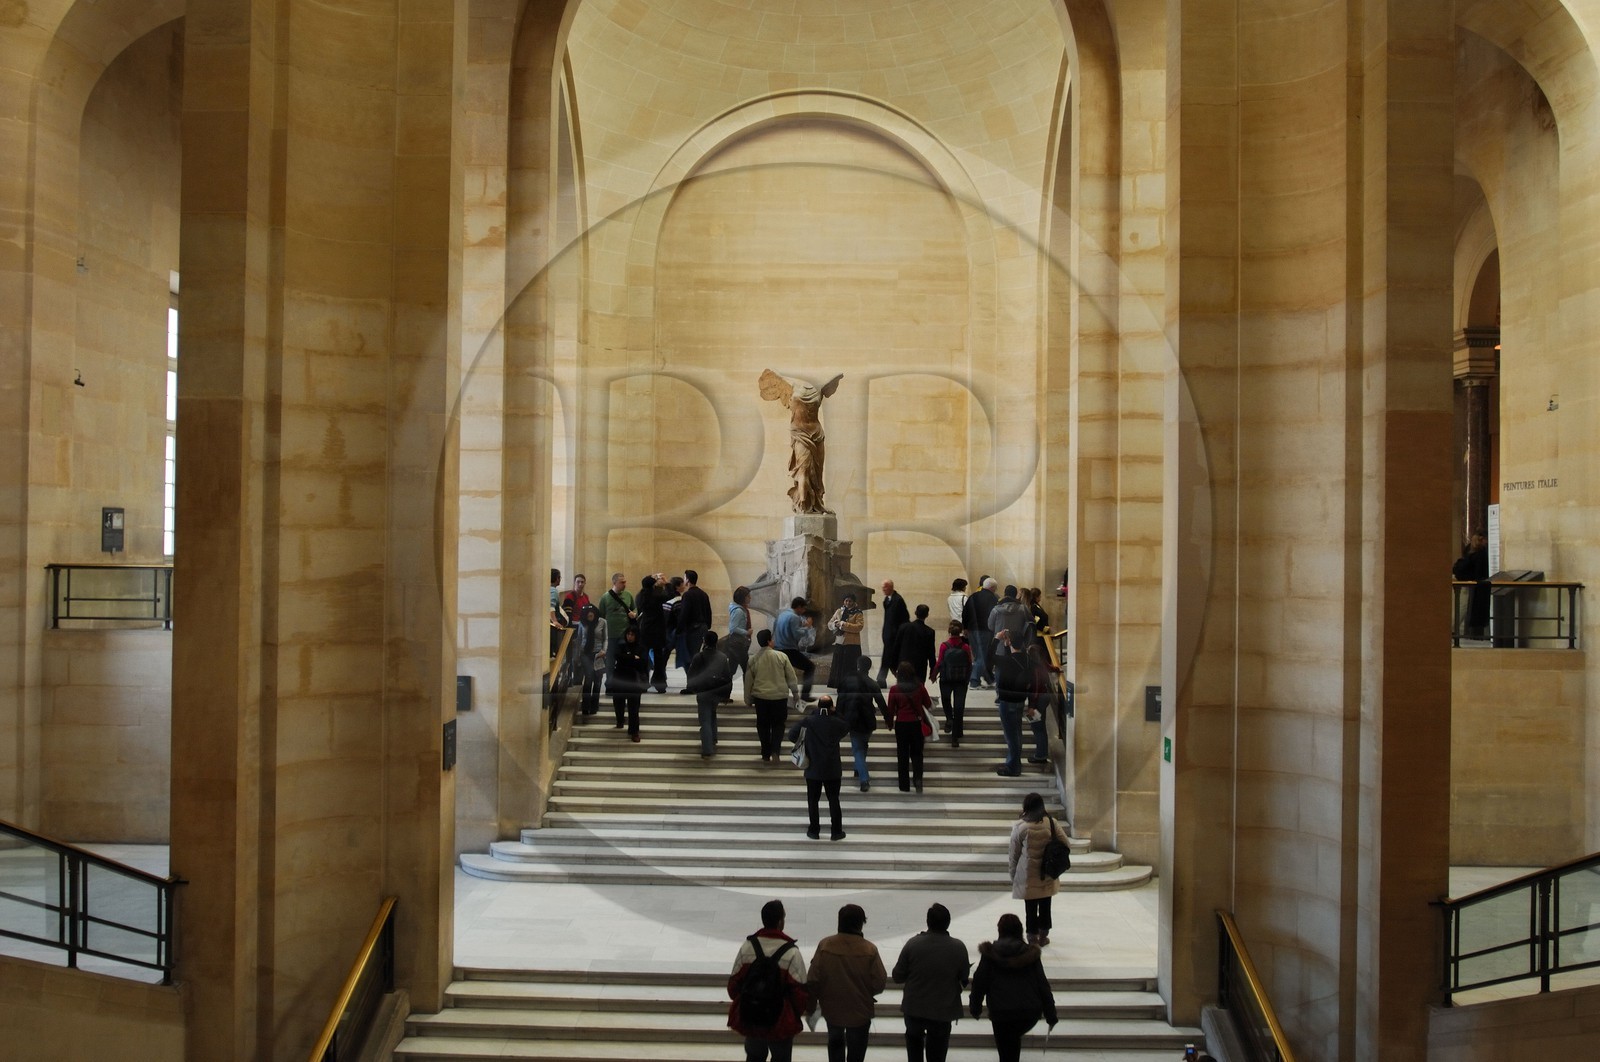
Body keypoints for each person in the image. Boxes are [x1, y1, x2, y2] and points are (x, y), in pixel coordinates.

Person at [729, 899, 810, 1062]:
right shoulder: (791, 952)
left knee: (754, 1056)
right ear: (780, 921)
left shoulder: (748, 947)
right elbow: (800, 993)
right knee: (781, 1058)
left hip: (752, 1017)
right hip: (780, 1020)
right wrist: (794, 1013)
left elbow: (733, 986)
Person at [969, 913, 1057, 1062]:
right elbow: (1042, 984)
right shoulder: (1031, 954)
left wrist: (975, 1008)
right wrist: (1051, 1014)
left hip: (1001, 1012)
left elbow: (979, 982)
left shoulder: (990, 954)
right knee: (1012, 1044)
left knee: (1006, 1052)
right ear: (1020, 931)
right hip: (1028, 1012)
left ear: (1000, 930)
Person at [807, 903, 887, 1062]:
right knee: (856, 1054)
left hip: (832, 1010)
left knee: (835, 1047)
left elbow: (813, 979)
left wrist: (812, 1003)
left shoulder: (825, 945)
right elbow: (879, 983)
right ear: (860, 924)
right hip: (860, 1011)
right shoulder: (869, 950)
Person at [759, 368, 844, 514]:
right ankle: (804, 507)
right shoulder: (801, 389)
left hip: (816, 434)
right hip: (803, 434)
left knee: (816, 472)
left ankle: (815, 504)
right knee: (804, 471)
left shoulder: (804, 390)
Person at [892, 903, 970, 1062]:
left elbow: (897, 975)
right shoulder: (958, 947)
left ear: (928, 922)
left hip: (915, 1007)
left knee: (914, 1049)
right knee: (938, 1053)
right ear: (948, 922)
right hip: (943, 1009)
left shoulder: (913, 944)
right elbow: (964, 978)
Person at [787, 696, 853, 840]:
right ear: (831, 707)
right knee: (834, 799)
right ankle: (836, 832)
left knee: (813, 800)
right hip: (832, 768)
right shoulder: (836, 723)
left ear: (818, 707)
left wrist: (806, 740)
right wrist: (833, 713)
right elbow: (846, 725)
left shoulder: (809, 721)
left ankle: (814, 830)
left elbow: (791, 735)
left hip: (813, 767)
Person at [1010, 792, 1070, 946]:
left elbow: (1014, 854)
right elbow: (1066, 844)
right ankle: (1043, 937)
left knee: (1030, 908)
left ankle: (1032, 938)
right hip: (1047, 872)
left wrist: (1013, 875)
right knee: (1045, 905)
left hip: (1028, 874)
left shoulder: (1020, 827)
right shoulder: (1051, 823)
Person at [746, 629, 800, 762]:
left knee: (762, 725)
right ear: (769, 641)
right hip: (779, 697)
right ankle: (776, 750)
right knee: (778, 725)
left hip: (761, 698)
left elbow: (748, 681)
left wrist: (748, 699)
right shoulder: (781, 656)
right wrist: (795, 693)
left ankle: (765, 753)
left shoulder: (753, 659)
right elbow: (791, 677)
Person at [884, 661, 932, 793]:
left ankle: (904, 785)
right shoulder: (920, 687)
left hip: (901, 725)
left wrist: (889, 723)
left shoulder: (895, 689)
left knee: (902, 754)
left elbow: (890, 709)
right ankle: (918, 780)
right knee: (917, 754)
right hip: (916, 724)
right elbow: (927, 704)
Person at [838, 656, 884, 792]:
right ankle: (858, 769)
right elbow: (881, 703)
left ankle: (864, 779)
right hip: (868, 719)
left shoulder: (847, 681)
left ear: (858, 666)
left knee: (858, 748)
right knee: (862, 745)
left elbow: (841, 701)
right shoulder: (872, 683)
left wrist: (838, 717)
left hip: (852, 719)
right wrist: (888, 719)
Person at [687, 630, 734, 758]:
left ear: (704, 641)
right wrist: (726, 695)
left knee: (705, 721)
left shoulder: (698, 657)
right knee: (712, 714)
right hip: (717, 692)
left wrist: (691, 688)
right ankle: (713, 738)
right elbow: (728, 677)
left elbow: (691, 675)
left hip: (703, 692)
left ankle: (707, 748)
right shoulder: (722, 657)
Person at [992, 630, 1030, 776]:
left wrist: (996, 639)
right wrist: (1008, 645)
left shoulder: (1007, 661)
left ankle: (1013, 767)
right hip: (1020, 700)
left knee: (1011, 736)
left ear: (1011, 643)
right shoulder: (1026, 659)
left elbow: (988, 656)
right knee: (1017, 733)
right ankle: (1015, 763)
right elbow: (1013, 659)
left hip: (1007, 701)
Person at [608, 624, 650, 740]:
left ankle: (634, 732)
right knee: (618, 703)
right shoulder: (621, 645)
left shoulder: (641, 648)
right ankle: (620, 721)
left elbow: (642, 663)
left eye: (632, 635)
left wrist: (626, 658)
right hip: (620, 679)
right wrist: (632, 658)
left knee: (634, 709)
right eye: (628, 634)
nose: (630, 637)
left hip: (634, 681)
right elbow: (617, 657)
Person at [934, 622, 972, 747]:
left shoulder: (944, 646)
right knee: (959, 707)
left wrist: (933, 675)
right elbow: (970, 664)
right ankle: (955, 737)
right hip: (961, 681)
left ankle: (949, 718)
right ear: (960, 632)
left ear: (949, 632)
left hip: (946, 678)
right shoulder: (965, 647)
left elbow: (939, 662)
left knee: (946, 700)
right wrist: (967, 678)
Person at [596, 572, 636, 687]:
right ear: (614, 583)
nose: (625, 584)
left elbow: (635, 608)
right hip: (611, 635)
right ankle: (610, 684)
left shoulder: (628, 595)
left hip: (625, 635)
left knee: (626, 660)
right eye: (622, 582)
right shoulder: (605, 597)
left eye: (625, 582)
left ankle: (625, 683)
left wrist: (634, 613)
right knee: (610, 662)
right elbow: (601, 617)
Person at [773, 596, 817, 700]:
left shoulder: (781, 615)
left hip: (777, 649)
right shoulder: (794, 617)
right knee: (810, 667)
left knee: (783, 674)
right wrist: (807, 627)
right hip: (788, 650)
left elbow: (775, 630)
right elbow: (796, 635)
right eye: (803, 608)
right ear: (799, 607)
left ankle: (781, 695)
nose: (804, 611)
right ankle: (805, 696)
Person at [634, 573, 671, 693]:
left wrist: (652, 578)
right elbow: (670, 595)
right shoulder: (657, 595)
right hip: (657, 629)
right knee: (658, 658)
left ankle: (642, 683)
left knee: (644, 657)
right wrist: (665, 583)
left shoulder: (639, 596)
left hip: (645, 629)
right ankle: (659, 683)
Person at [962, 577, 999, 688]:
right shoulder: (993, 598)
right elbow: (994, 616)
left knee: (978, 655)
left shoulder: (973, 596)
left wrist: (965, 627)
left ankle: (988, 678)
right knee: (982, 656)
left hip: (972, 630)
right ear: (992, 588)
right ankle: (974, 680)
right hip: (985, 630)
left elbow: (965, 612)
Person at [1453, 532, 1491, 638]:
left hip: (1465, 583)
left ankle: (1456, 631)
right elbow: (1478, 572)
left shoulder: (1469, 550)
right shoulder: (1480, 554)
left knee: (1463, 608)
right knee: (1464, 608)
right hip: (1473, 585)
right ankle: (1454, 630)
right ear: (1482, 539)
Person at [1024, 643, 1056, 764]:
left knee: (1037, 727)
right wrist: (1057, 669)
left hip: (1039, 699)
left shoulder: (1035, 668)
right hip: (1044, 697)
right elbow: (1051, 668)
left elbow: (1036, 689)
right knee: (1039, 725)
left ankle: (1041, 755)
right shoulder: (1042, 663)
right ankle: (1041, 753)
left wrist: (1031, 706)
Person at [826, 593, 865, 689]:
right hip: (839, 642)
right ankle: (838, 685)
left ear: (854, 602)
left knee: (849, 667)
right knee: (839, 666)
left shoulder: (858, 613)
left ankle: (850, 686)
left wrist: (843, 624)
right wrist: (835, 624)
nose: (848, 603)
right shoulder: (839, 611)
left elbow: (859, 627)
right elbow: (829, 623)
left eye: (850, 601)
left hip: (852, 644)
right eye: (846, 600)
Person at [875, 580, 909, 687]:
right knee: (890, 658)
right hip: (889, 635)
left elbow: (904, 618)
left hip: (894, 636)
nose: (883, 590)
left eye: (885, 588)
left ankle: (882, 679)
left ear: (890, 587)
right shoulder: (888, 600)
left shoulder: (898, 600)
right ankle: (898, 679)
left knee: (890, 658)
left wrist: (899, 634)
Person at [892, 603, 937, 685]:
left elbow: (896, 648)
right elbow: (931, 653)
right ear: (927, 615)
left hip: (904, 665)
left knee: (902, 691)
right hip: (920, 667)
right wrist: (932, 671)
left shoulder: (903, 627)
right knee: (918, 693)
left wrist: (893, 667)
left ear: (915, 613)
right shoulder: (929, 632)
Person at [679, 569, 713, 676]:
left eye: (684, 578)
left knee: (689, 657)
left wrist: (679, 629)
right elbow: (709, 612)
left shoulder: (687, 595)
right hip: (703, 628)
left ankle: (692, 683)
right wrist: (707, 626)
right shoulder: (704, 594)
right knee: (697, 655)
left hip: (693, 630)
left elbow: (684, 614)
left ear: (687, 580)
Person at [574, 603, 606, 718]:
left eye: (592, 615)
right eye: (588, 615)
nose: (590, 616)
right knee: (588, 678)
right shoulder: (582, 623)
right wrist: (576, 657)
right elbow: (579, 639)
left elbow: (605, 638)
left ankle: (594, 705)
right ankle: (585, 706)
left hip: (599, 654)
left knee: (598, 681)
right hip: (585, 654)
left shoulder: (602, 622)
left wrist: (604, 650)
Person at [987, 585, 1032, 655]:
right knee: (1017, 664)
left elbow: (990, 626)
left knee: (1001, 664)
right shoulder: (1023, 609)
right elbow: (1031, 624)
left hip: (1000, 645)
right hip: (1017, 646)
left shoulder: (995, 610)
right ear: (1016, 595)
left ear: (1004, 594)